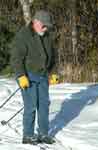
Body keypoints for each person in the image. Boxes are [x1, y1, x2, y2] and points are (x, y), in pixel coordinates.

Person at [10, 10, 55, 145]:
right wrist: (20, 75)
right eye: (44, 25)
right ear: (36, 22)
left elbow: (52, 56)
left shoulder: (46, 35)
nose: (46, 28)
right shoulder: (23, 35)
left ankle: (43, 133)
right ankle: (28, 135)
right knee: (31, 106)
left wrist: (52, 72)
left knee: (44, 106)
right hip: (28, 76)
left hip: (43, 76)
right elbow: (16, 58)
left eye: (47, 26)